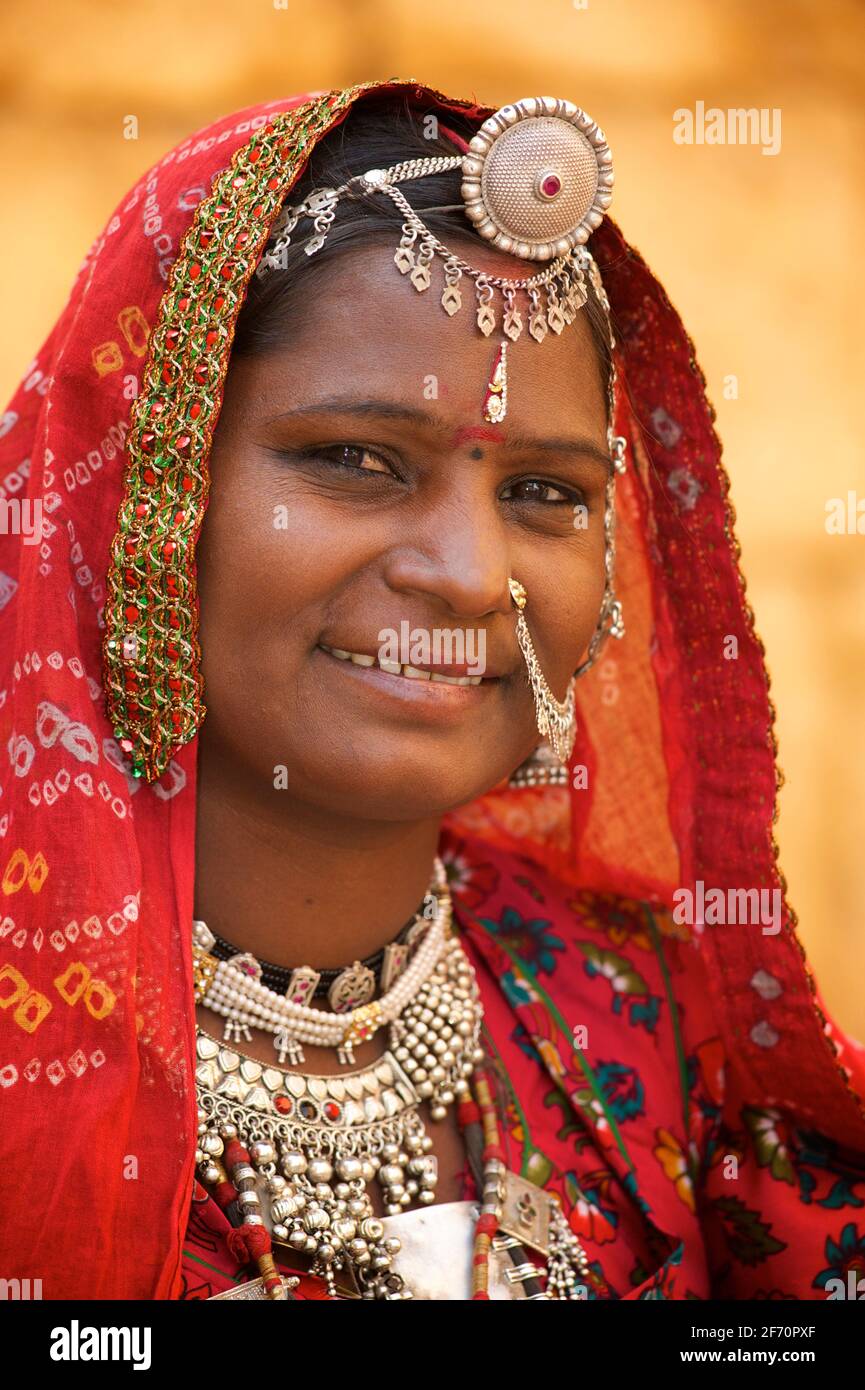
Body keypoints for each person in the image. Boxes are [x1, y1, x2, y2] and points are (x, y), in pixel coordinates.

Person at [0, 78, 863, 1303]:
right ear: (149, 489)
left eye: (544, 494)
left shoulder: (654, 1016)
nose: (467, 574)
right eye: (355, 460)